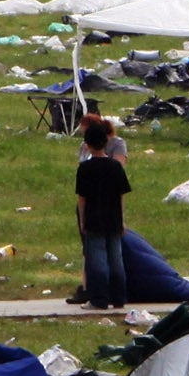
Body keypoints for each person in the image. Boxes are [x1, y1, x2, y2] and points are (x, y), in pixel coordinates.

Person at [74, 116, 131, 306]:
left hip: (93, 218)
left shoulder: (85, 168)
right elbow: (121, 195)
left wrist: (82, 221)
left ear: (87, 145)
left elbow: (82, 198)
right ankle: (119, 298)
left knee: (97, 260)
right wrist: (122, 219)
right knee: (116, 259)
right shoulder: (115, 166)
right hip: (114, 218)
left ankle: (98, 299)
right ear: (106, 142)